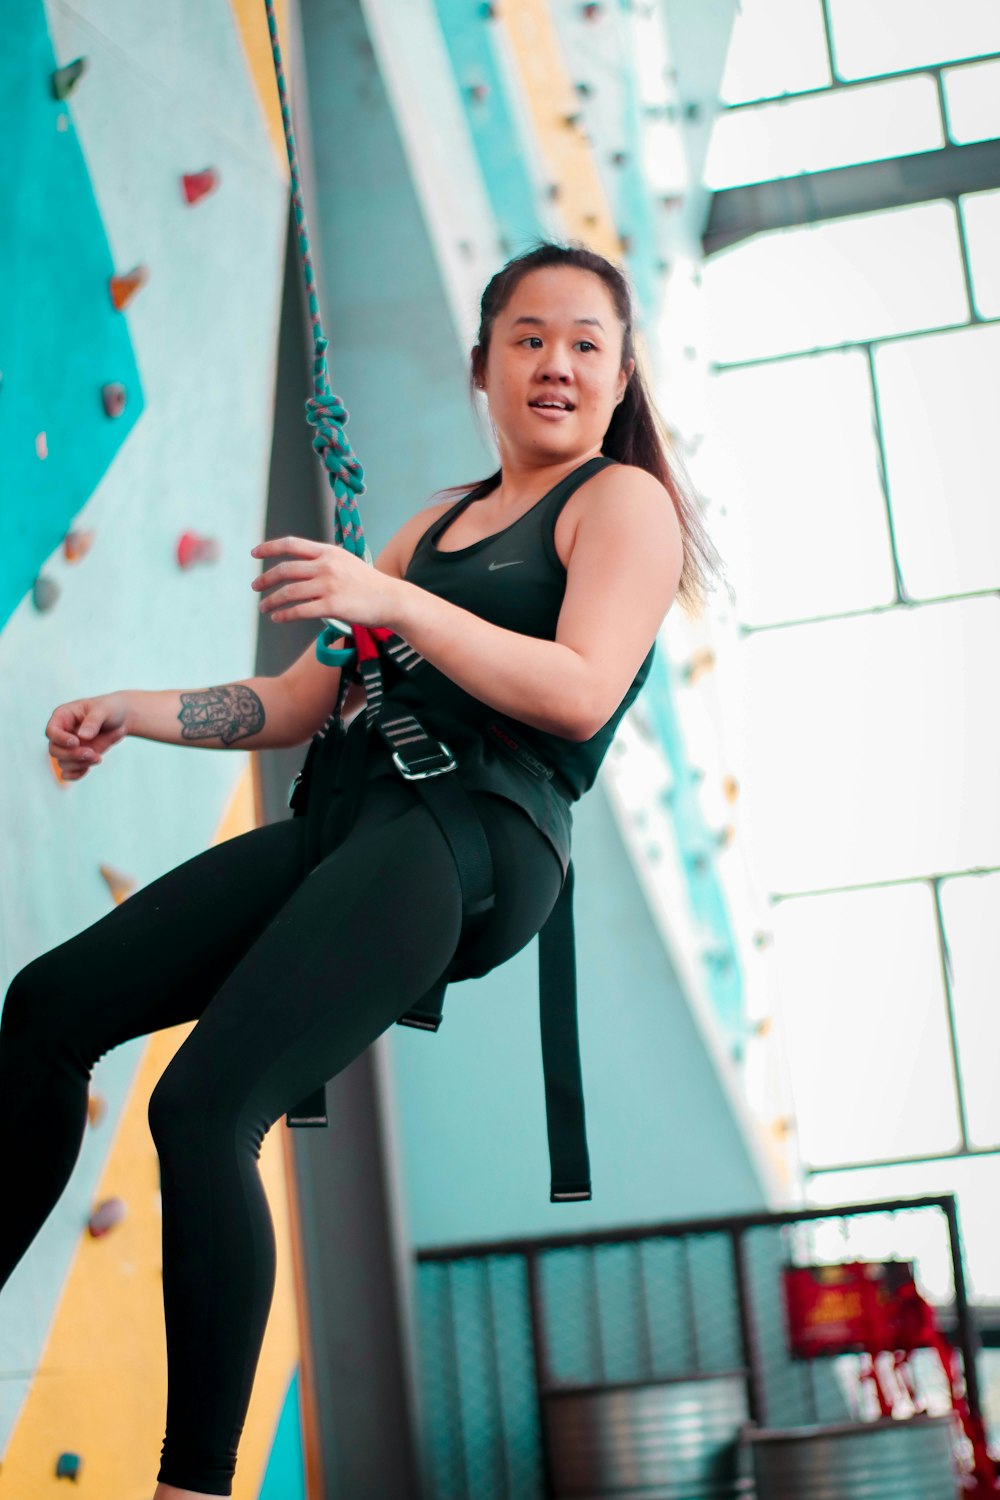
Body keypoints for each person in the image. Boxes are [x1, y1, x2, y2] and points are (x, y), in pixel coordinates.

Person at [0, 242, 722, 1499]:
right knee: (47, 1010)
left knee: (204, 1109)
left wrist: (392, 595)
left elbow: (577, 689)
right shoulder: (427, 526)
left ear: (616, 380)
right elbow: (293, 701)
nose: (556, 362)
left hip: (473, 842)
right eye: (529, 338)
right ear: (482, 367)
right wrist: (139, 708)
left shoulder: (623, 505)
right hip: (355, 820)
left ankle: (192, 1485)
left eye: (585, 343)